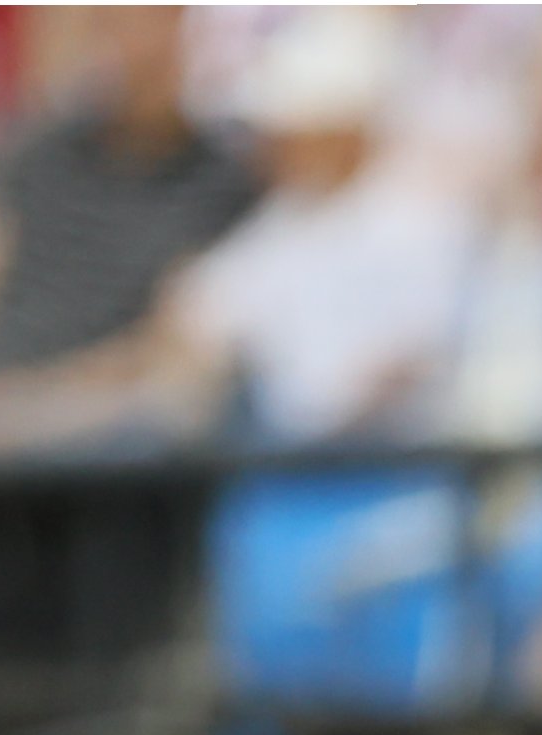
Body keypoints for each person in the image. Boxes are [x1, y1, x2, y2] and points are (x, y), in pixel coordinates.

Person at [0, 4, 261, 445]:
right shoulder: (39, 153)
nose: (136, 47)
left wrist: (43, 406)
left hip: (99, 422)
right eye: (117, 28)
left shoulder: (224, 180)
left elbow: (178, 330)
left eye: (156, 25)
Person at [155, 16, 487, 439]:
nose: (275, 150)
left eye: (295, 134)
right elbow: (197, 308)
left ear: (345, 133)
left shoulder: (423, 222)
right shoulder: (284, 220)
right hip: (286, 457)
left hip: (392, 459)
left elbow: (416, 354)